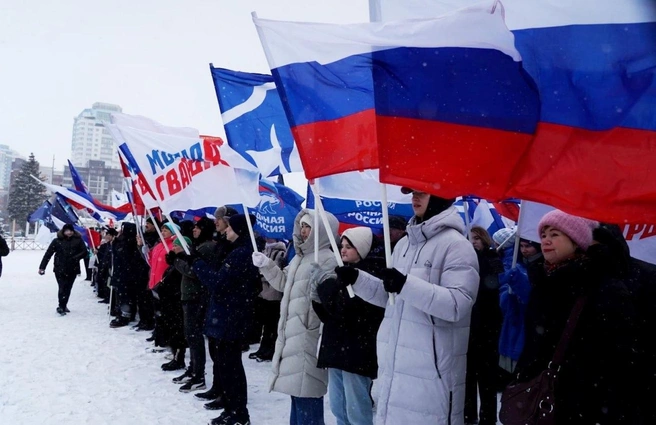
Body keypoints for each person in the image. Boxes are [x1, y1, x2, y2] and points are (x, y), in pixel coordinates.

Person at [332, 189, 479, 424]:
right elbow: (391, 300)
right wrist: (357, 279)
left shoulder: (456, 246)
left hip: (432, 378)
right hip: (395, 367)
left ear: (440, 196)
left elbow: (456, 305)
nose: (415, 198)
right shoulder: (403, 245)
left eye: (423, 192)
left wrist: (405, 284)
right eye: (412, 193)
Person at [514, 210, 636, 424]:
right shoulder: (543, 280)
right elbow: (534, 343)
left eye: (555, 234)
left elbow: (616, 357)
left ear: (577, 241)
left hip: (580, 402)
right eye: (543, 235)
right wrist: (524, 375)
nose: (546, 241)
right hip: (541, 397)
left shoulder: (602, 286)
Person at [252, 209, 340, 425]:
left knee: (307, 394)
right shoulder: (301, 258)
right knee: (297, 393)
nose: (303, 230)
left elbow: (327, 301)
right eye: (301, 226)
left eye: (308, 226)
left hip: (309, 337)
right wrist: (267, 265)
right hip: (294, 335)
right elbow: (283, 283)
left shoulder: (328, 259)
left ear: (320, 231)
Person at [311, 226, 385, 425]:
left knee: (356, 412)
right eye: (342, 245)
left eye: (349, 246)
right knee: (338, 407)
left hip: (356, 352)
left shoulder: (371, 276)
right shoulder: (342, 273)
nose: (343, 250)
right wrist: (317, 298)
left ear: (362, 248)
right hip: (337, 349)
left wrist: (324, 287)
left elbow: (346, 310)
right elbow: (329, 316)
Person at [194, 214, 261, 425]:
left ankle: (239, 413)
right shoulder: (237, 251)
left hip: (231, 318)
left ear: (239, 230)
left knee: (230, 367)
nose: (225, 231)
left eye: (230, 228)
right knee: (227, 365)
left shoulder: (241, 254)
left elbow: (219, 283)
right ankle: (232, 409)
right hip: (229, 316)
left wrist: (197, 265)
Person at [168, 217, 217, 392]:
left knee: (194, 337)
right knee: (190, 336)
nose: (194, 230)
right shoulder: (200, 247)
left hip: (196, 297)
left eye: (198, 227)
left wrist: (176, 260)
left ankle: (198, 375)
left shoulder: (205, 248)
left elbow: (193, 271)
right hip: (190, 295)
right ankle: (193, 370)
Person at [465, 226, 504, 425]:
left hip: (488, 327)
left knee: (486, 378)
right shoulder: (465, 260)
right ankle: (469, 414)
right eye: (469, 238)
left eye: (476, 238)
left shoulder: (493, 259)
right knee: (468, 375)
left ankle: (487, 418)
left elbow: (494, 288)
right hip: (470, 325)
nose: (473, 242)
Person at [493, 227, 532, 384]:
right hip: (514, 322)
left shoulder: (512, 264)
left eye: (527, 246)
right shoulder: (512, 262)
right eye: (521, 246)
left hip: (517, 321)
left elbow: (509, 300)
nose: (524, 250)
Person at [249, 237, 287, 362]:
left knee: (272, 323)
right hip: (264, 293)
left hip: (274, 293)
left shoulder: (280, 252)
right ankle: (263, 347)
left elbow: (276, 271)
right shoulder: (265, 250)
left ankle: (270, 349)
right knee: (266, 323)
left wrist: (263, 272)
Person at [38, 223, 88, 315]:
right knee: (62, 287)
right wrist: (42, 267)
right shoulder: (57, 241)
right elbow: (48, 254)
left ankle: (64, 304)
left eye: (70, 231)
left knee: (68, 288)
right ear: (63, 231)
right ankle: (61, 306)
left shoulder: (78, 240)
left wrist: (75, 258)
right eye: (67, 231)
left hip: (73, 268)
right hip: (59, 267)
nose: (69, 233)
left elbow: (84, 252)